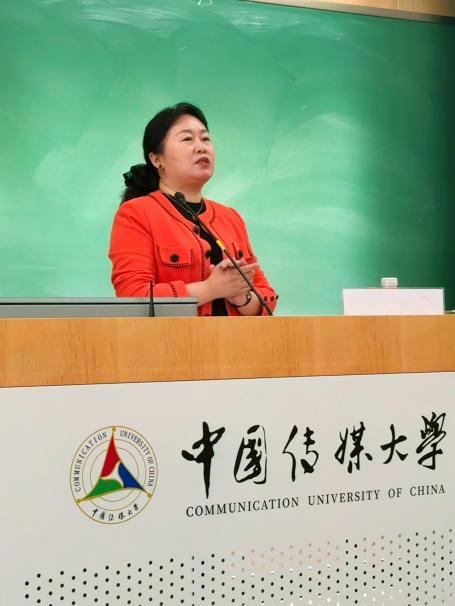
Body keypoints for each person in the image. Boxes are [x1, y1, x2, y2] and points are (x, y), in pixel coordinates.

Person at [108, 102, 278, 316]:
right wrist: (210, 289)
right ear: (157, 159)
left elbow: (266, 298)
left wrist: (241, 298)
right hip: (174, 338)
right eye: (187, 139)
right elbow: (133, 297)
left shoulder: (230, 217)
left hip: (235, 338)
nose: (201, 147)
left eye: (205, 139)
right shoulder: (136, 214)